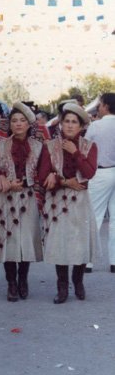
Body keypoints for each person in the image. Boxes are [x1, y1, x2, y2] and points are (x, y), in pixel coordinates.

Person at [37, 103, 98, 303]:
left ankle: (78, 281)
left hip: (80, 201)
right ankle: (62, 286)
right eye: (67, 121)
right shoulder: (49, 146)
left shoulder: (89, 146)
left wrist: (75, 152)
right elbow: (42, 176)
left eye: (74, 122)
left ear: (81, 126)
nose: (70, 125)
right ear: (61, 124)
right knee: (60, 243)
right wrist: (62, 180)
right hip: (57, 201)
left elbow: (89, 173)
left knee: (80, 243)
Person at [0, 102, 43, 301]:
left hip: (28, 198)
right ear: (9, 124)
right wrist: (3, 178)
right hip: (6, 199)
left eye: (22, 121)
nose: (18, 124)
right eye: (14, 121)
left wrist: (27, 182)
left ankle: (23, 280)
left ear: (28, 124)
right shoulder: (0, 146)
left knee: (25, 240)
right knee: (8, 242)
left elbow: (43, 172)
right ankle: (11, 282)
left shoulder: (38, 146)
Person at [85, 93, 115, 273]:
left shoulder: (96, 126)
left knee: (94, 216)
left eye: (101, 104)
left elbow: (85, 148)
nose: (99, 107)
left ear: (106, 106)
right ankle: (114, 261)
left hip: (101, 172)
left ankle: (89, 261)